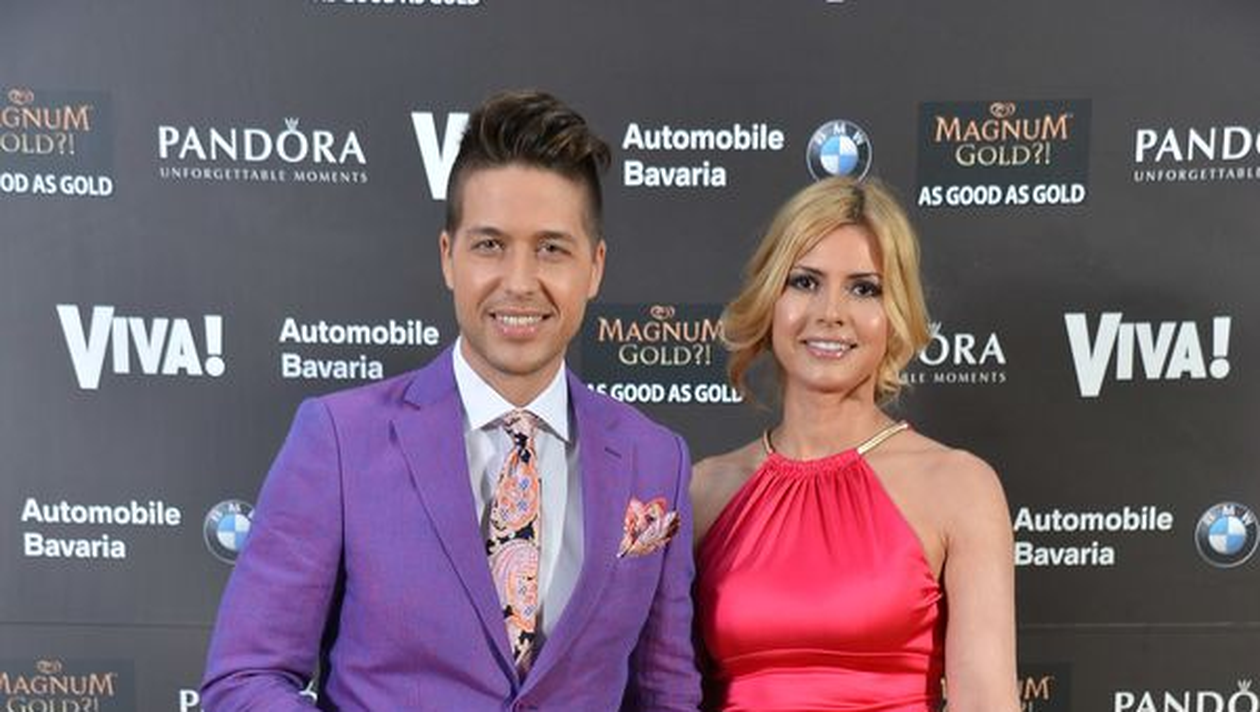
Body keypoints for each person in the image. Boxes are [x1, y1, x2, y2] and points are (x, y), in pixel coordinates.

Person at [201, 90, 701, 712]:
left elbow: (667, 693)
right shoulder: (338, 439)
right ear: (448, 257)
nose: (519, 282)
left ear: (594, 267)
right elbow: (245, 680)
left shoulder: (656, 459)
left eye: (551, 248)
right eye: (490, 245)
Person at [690, 177, 1019, 712]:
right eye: (804, 282)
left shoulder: (958, 486)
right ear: (770, 298)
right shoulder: (704, 491)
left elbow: (985, 701)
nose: (831, 312)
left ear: (896, 312)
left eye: (864, 289)